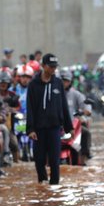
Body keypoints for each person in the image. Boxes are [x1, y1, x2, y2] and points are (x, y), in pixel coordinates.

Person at [27, 54, 72, 184]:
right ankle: (42, 183)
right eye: (50, 66)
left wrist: (69, 127)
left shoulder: (58, 83)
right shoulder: (33, 85)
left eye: (54, 67)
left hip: (54, 128)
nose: (53, 69)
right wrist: (30, 129)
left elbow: (64, 106)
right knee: (39, 160)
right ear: (43, 66)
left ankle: (54, 187)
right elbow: (30, 108)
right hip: (39, 129)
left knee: (54, 160)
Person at [61, 68, 93, 163]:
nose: (64, 83)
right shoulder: (55, 94)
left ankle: (84, 157)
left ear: (70, 82)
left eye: (66, 81)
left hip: (73, 126)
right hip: (58, 126)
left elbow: (86, 107)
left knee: (86, 133)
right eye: (62, 81)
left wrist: (85, 112)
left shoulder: (76, 94)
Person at [0, 70, 20, 163]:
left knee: (15, 144)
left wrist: (13, 110)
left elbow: (18, 107)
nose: (3, 85)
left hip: (9, 124)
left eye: (5, 83)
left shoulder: (12, 96)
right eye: (1, 83)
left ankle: (15, 162)